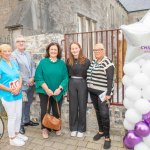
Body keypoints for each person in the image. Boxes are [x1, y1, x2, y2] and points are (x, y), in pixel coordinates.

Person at [34, 42, 68, 139]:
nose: (53, 51)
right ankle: (45, 128)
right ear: (48, 51)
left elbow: (66, 78)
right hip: (45, 92)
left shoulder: (61, 63)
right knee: (45, 110)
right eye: (51, 49)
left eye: (55, 50)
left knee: (57, 110)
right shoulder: (43, 62)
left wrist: (60, 88)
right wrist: (47, 89)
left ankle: (57, 127)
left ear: (58, 51)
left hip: (58, 92)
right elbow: (38, 77)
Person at [87, 43, 114, 149]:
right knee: (98, 112)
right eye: (95, 50)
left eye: (99, 50)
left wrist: (109, 94)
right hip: (93, 92)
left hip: (103, 93)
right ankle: (101, 131)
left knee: (104, 114)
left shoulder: (108, 62)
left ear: (104, 50)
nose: (97, 51)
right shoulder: (94, 61)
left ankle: (107, 138)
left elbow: (110, 79)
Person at [0, 44, 28, 146]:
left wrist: (19, 86)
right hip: (8, 95)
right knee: (12, 116)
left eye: (9, 51)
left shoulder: (13, 62)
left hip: (18, 93)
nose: (7, 53)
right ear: (1, 53)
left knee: (18, 115)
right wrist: (10, 89)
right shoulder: (0, 65)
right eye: (4, 51)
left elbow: (19, 75)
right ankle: (12, 139)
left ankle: (16, 134)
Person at [12, 35, 39, 135]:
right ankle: (19, 125)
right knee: (21, 106)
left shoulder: (28, 54)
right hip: (22, 86)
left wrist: (33, 78)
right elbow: (16, 72)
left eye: (23, 41)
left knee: (28, 103)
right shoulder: (13, 56)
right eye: (18, 41)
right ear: (16, 44)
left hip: (31, 84)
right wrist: (26, 81)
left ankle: (26, 121)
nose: (21, 43)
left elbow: (33, 66)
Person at [67, 42, 90, 137]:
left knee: (82, 106)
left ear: (79, 48)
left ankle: (81, 129)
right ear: (71, 50)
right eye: (72, 48)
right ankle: (73, 128)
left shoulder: (86, 60)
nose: (74, 50)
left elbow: (88, 75)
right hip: (72, 83)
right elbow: (67, 73)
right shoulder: (68, 61)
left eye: (76, 48)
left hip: (82, 83)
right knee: (73, 106)